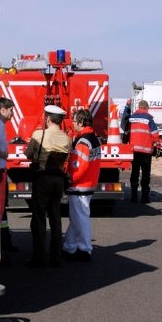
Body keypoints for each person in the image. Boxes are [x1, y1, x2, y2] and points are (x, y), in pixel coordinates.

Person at [24, 104, 71, 267]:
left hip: (42, 179)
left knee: (38, 218)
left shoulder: (39, 134)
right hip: (59, 181)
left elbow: (28, 154)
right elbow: (66, 158)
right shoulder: (67, 138)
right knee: (55, 218)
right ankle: (56, 257)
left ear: (48, 118)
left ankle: (39, 257)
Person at [62, 109, 101, 262]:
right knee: (76, 218)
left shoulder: (83, 141)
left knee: (81, 218)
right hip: (88, 184)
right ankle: (69, 247)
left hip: (80, 185)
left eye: (74, 121)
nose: (72, 123)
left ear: (81, 122)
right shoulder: (93, 138)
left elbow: (79, 167)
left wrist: (70, 179)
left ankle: (85, 249)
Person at [128, 100, 159, 203]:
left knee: (134, 173)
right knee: (145, 174)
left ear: (139, 107)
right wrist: (158, 145)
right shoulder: (149, 118)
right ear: (146, 108)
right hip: (146, 151)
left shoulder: (131, 118)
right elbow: (154, 134)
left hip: (134, 150)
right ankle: (145, 198)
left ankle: (134, 197)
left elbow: (127, 132)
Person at [0, 97, 18, 252]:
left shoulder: (0, 125)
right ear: (2, 110)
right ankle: (3, 243)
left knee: (3, 208)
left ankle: (5, 241)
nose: (12, 113)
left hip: (1, 170)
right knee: (0, 207)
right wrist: (3, 154)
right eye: (11, 110)